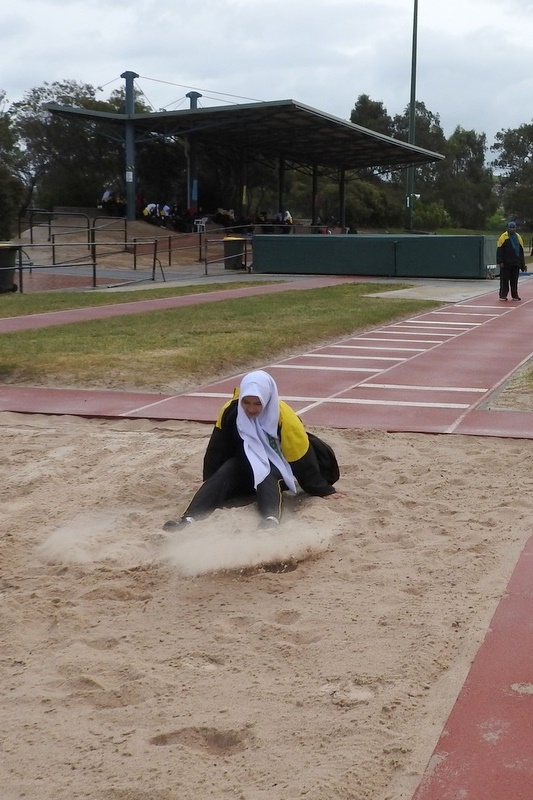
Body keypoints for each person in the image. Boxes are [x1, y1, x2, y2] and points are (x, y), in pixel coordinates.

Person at [163, 370, 342, 531]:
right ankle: (189, 518)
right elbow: (217, 449)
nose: (250, 409)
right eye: (246, 403)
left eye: (257, 404)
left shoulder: (284, 418)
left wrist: (323, 490)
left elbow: (302, 458)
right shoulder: (230, 411)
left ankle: (270, 520)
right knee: (227, 469)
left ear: (268, 399)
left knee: (266, 472)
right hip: (245, 466)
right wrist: (209, 480)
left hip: (279, 467)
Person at [496, 220, 526, 301]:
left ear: (515, 228)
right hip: (506, 263)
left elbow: (521, 251)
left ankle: (515, 295)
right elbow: (499, 250)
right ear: (507, 228)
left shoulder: (518, 237)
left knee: (514, 281)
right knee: (504, 280)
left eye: (513, 227)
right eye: (510, 227)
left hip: (515, 263)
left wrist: (522, 264)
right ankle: (503, 295)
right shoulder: (503, 236)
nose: (512, 229)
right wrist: (500, 261)